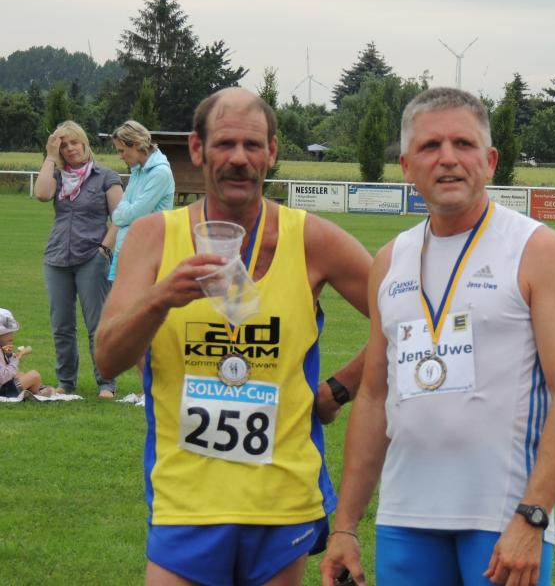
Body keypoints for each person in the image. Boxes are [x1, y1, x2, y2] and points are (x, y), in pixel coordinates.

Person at [95, 87, 371, 586]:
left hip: (282, 495)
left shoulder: (311, 238)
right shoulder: (155, 236)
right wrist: (161, 299)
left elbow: (406, 321)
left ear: (272, 152)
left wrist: (340, 387)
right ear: (198, 149)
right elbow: (108, 359)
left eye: (252, 145)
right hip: (185, 496)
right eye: (224, 144)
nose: (239, 158)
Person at [320, 87, 555, 586]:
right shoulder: (391, 260)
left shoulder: (538, 250)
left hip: (502, 518)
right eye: (430, 146)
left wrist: (533, 516)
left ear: (490, 161)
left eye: (463, 144)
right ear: (407, 166)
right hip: (404, 518)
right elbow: (375, 396)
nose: (448, 158)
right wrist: (346, 527)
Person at [34, 120, 122, 399]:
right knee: (62, 326)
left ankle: (106, 383)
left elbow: (120, 218)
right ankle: (66, 382)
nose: (70, 149)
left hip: (91, 258)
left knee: (98, 325)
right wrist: (50, 156)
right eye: (64, 146)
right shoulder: (57, 176)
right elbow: (42, 194)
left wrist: (104, 250)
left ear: (84, 143)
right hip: (56, 257)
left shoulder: (105, 176)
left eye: (74, 142)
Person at [109, 119, 175, 282]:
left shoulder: (160, 173)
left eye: (122, 150)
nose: (120, 156)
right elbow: (124, 206)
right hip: (125, 249)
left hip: (146, 252)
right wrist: (124, 212)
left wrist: (121, 214)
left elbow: (135, 214)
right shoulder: (137, 170)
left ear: (137, 144)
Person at [0, 308, 55, 398]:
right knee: (34, 375)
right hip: (3, 391)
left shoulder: (2, 348)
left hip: (3, 386)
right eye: (8, 332)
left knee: (20, 374)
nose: (12, 335)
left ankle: (37, 389)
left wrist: (9, 356)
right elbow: (3, 377)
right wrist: (16, 360)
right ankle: (38, 393)